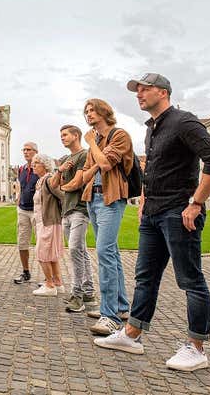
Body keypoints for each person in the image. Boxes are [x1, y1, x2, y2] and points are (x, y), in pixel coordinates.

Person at [94, 73, 210, 372]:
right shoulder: (152, 128)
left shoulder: (184, 121)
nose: (139, 94)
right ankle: (132, 334)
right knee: (145, 277)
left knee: (190, 280)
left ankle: (196, 348)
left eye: (145, 89)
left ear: (164, 92)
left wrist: (196, 203)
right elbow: (154, 169)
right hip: (153, 213)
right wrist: (144, 199)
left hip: (178, 212)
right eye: (136, 90)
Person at [79, 101, 133, 335]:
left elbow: (104, 163)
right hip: (94, 199)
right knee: (111, 253)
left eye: (92, 110)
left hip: (111, 199)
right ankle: (120, 307)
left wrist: (91, 143)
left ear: (104, 113)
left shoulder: (119, 135)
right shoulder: (99, 142)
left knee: (104, 253)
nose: (88, 114)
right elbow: (88, 171)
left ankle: (109, 315)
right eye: (86, 111)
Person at [48, 125, 94, 311]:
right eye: (61, 135)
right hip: (66, 211)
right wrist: (60, 171)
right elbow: (52, 185)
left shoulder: (84, 155)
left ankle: (77, 295)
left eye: (65, 135)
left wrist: (64, 185)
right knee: (80, 250)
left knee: (75, 249)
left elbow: (77, 183)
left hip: (80, 209)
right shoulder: (66, 159)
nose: (62, 138)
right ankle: (89, 291)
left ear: (76, 136)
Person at [30, 154, 65, 296]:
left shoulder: (49, 180)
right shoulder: (41, 181)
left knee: (42, 253)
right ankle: (58, 283)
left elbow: (63, 195)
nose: (34, 165)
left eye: (36, 163)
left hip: (49, 221)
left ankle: (50, 285)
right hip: (43, 222)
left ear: (45, 165)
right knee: (51, 254)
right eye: (33, 162)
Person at [13, 142, 39, 284]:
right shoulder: (21, 169)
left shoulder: (40, 168)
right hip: (23, 210)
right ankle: (26, 272)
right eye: (24, 150)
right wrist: (18, 200)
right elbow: (20, 186)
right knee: (22, 243)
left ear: (36, 151)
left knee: (42, 244)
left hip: (36, 211)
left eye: (28, 150)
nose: (25, 152)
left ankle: (49, 277)